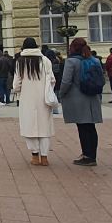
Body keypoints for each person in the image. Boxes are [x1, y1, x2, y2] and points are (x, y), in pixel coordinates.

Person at [59, 38, 104, 166]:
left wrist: (61, 94)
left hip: (77, 98)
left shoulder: (71, 62)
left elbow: (66, 81)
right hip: (92, 97)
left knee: (82, 127)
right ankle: (92, 155)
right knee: (91, 127)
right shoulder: (95, 60)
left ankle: (87, 156)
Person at [10, 38, 56, 166]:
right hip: (43, 99)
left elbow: (16, 83)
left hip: (27, 98)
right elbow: (52, 79)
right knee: (44, 128)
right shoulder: (45, 60)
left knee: (29, 126)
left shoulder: (20, 62)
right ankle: (45, 156)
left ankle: (35, 155)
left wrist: (19, 90)